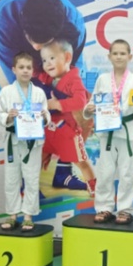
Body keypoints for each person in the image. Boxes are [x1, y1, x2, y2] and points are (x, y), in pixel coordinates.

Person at [0, 0, 88, 192]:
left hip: (55, 50)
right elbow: (20, 82)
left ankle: (63, 172)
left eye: (43, 42)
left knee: (75, 106)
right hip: (9, 46)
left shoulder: (75, 27)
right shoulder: (4, 20)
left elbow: (70, 80)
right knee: (23, 105)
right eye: (33, 41)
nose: (37, 47)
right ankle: (26, 175)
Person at [83, 39, 133, 225]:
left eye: (122, 53)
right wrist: (89, 109)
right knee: (105, 171)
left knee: (127, 172)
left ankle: (125, 209)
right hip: (107, 131)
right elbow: (92, 103)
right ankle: (104, 207)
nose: (119, 57)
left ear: (130, 56)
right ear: (109, 56)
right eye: (115, 53)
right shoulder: (103, 79)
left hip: (127, 131)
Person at [0, 53, 51, 231]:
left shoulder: (39, 93)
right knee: (11, 179)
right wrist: (8, 116)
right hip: (13, 141)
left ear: (33, 71)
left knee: (32, 178)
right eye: (21, 67)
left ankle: (28, 215)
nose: (25, 71)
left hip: (33, 142)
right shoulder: (6, 92)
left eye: (28, 67)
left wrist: (44, 116)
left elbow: (46, 114)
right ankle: (12, 215)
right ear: (14, 69)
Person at [39, 39, 96, 195]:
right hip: (50, 129)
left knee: (80, 161)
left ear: (67, 58)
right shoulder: (48, 78)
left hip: (67, 130)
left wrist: (57, 104)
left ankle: (94, 187)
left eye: (52, 58)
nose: (48, 64)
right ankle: (28, 186)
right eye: (44, 60)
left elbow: (80, 101)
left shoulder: (74, 80)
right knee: (38, 157)